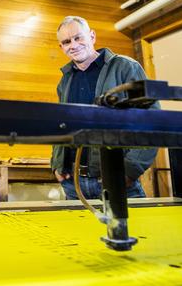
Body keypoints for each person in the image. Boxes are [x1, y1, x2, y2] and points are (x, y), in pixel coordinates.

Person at [51, 16, 158, 200]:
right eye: (66, 42)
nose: (73, 45)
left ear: (92, 36)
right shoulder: (65, 81)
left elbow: (151, 121)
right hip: (73, 185)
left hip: (116, 180)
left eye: (78, 37)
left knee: (132, 229)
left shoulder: (126, 68)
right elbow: (61, 125)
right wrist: (56, 165)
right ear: (61, 47)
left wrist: (130, 170)